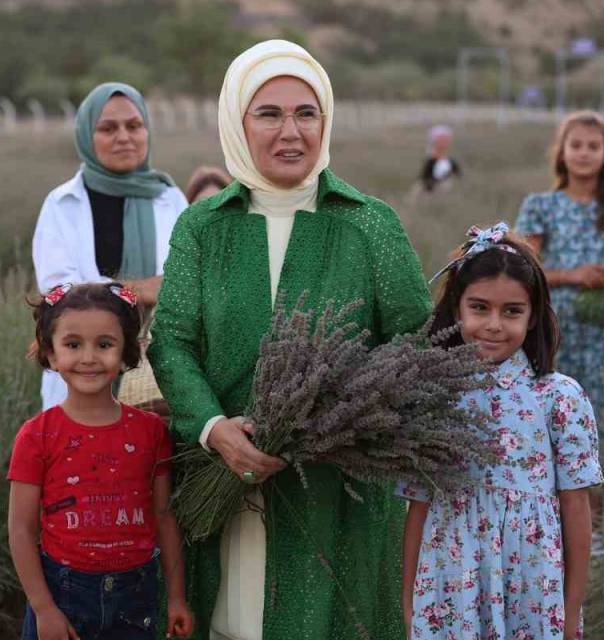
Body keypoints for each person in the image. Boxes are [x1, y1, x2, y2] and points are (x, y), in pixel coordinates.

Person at [148, 40, 431, 640]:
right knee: (229, 618)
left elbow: (415, 341)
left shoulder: (369, 223)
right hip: (220, 478)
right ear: (237, 122)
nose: (291, 132)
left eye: (306, 113)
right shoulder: (202, 226)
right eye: (269, 114)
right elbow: (171, 342)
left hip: (338, 487)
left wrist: (334, 421)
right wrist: (214, 429)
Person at [400, 223, 601, 640]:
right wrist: (408, 603)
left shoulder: (559, 398)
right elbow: (418, 506)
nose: (494, 324)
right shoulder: (433, 397)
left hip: (532, 592)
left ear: (532, 316)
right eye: (480, 308)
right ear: (457, 309)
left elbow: (576, 510)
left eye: (512, 311)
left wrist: (571, 613)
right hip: (449, 588)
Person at [7, 282, 194, 640]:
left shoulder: (151, 432)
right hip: (62, 598)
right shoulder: (36, 435)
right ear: (51, 353)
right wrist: (43, 609)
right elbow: (20, 530)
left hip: (135, 600)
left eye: (105, 344)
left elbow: (163, 516)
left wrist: (175, 598)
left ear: (126, 352)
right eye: (73, 344)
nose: (89, 357)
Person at [32, 82, 188, 411]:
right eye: (108, 128)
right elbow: (59, 293)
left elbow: (190, 282)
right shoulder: (62, 204)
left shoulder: (170, 198)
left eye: (134, 126)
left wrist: (133, 289)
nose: (124, 137)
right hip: (83, 368)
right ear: (86, 136)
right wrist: (139, 290)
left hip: (158, 378)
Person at [515, 110, 604, 439]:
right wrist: (574, 276)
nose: (584, 153)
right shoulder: (541, 206)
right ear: (562, 152)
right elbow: (524, 271)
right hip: (558, 323)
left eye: (593, 146)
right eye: (576, 145)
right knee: (554, 408)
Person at [416, 125, 461, 193]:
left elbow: (458, 178)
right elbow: (424, 183)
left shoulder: (451, 162)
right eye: (441, 139)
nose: (444, 142)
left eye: (446, 139)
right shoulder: (430, 163)